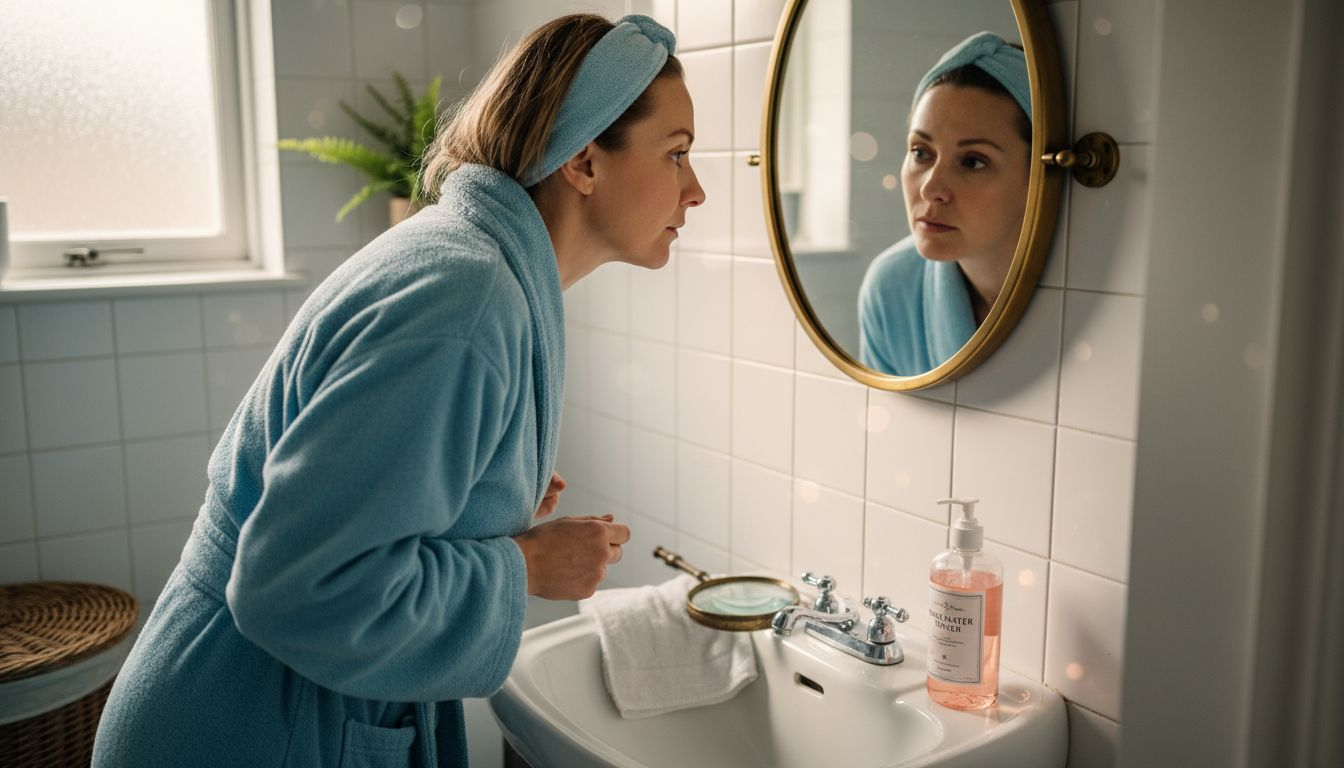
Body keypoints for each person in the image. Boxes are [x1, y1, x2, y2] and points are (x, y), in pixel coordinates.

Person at [92, 13, 703, 768]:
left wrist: (475, 504)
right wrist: (527, 568)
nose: (697, 191)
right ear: (584, 161)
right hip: (252, 724)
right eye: (677, 154)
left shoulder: (463, 263)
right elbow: (302, 587)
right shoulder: (464, 299)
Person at [857, 32, 1031, 376]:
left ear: (1039, 177)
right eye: (921, 152)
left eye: (973, 162)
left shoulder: (1091, 290)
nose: (931, 189)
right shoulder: (892, 287)